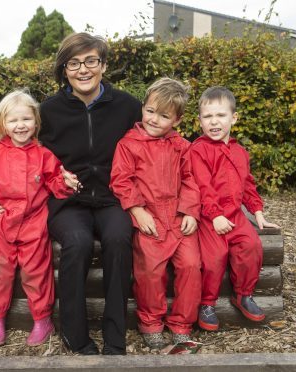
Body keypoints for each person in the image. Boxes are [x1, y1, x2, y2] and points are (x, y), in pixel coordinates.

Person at [0, 32, 142, 355]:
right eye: (74, 63)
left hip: (113, 198)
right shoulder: (48, 111)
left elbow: (153, 144)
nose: (83, 69)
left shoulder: (127, 106)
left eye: (91, 61)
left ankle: (116, 335)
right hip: (66, 201)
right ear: (64, 69)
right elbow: (10, 148)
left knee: (118, 239)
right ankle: (75, 334)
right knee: (78, 242)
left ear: (103, 65)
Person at [0, 90, 80, 347]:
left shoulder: (43, 155)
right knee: (0, 272)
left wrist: (66, 183)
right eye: (13, 120)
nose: (20, 126)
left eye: (26, 119)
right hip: (2, 224)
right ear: (3, 123)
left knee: (36, 272)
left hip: (33, 224)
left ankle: (42, 319)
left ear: (36, 122)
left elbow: (54, 182)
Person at [110, 77, 201, 350]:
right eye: (150, 111)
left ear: (177, 119)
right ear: (143, 107)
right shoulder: (129, 144)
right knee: (150, 271)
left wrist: (190, 212)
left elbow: (190, 179)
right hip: (148, 217)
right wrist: (138, 211)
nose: (153, 119)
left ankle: (181, 324)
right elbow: (121, 180)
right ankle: (150, 322)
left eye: (163, 116)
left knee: (191, 265)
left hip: (177, 217)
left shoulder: (182, 146)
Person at [190, 86, 280, 332]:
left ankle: (242, 294)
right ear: (200, 121)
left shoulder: (240, 152)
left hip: (236, 215)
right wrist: (215, 215)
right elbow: (202, 186)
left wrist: (258, 212)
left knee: (252, 246)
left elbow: (248, 185)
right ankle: (207, 304)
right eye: (208, 117)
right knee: (214, 257)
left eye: (220, 115)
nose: (214, 122)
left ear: (234, 118)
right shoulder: (198, 150)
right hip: (209, 217)